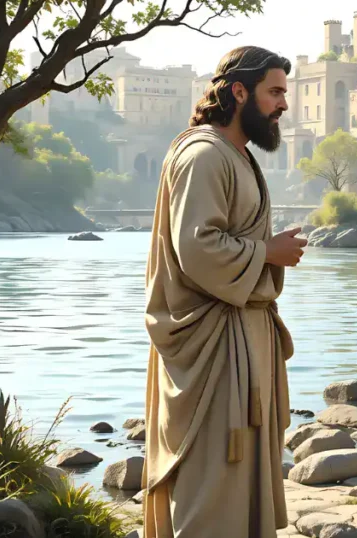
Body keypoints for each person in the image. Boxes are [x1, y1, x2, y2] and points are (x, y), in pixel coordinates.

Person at [142, 46, 309, 538]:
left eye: (285, 93)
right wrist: (267, 253)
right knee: (211, 479)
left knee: (237, 481)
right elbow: (197, 246)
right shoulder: (203, 155)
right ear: (240, 91)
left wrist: (265, 253)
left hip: (243, 338)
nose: (283, 105)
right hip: (212, 347)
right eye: (275, 92)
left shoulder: (235, 154)